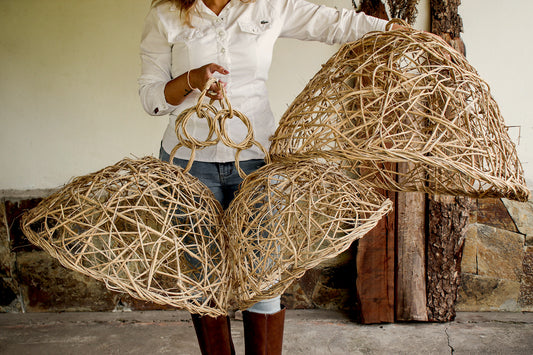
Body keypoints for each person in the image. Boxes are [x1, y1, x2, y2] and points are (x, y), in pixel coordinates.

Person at [139, 1, 399, 353]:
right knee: (203, 275)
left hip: (255, 161)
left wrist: (389, 30)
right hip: (188, 163)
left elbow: (331, 23)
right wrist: (192, 80)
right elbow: (152, 97)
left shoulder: (267, 5)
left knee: (263, 273)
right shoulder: (165, 14)